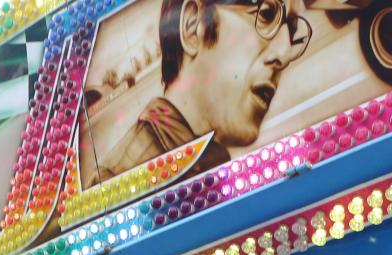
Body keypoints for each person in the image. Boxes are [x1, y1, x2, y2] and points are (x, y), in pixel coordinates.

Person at [90, 0, 312, 184]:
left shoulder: (211, 159)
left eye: (292, 32)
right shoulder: (117, 180)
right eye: (266, 14)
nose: (284, 54)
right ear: (192, 26)